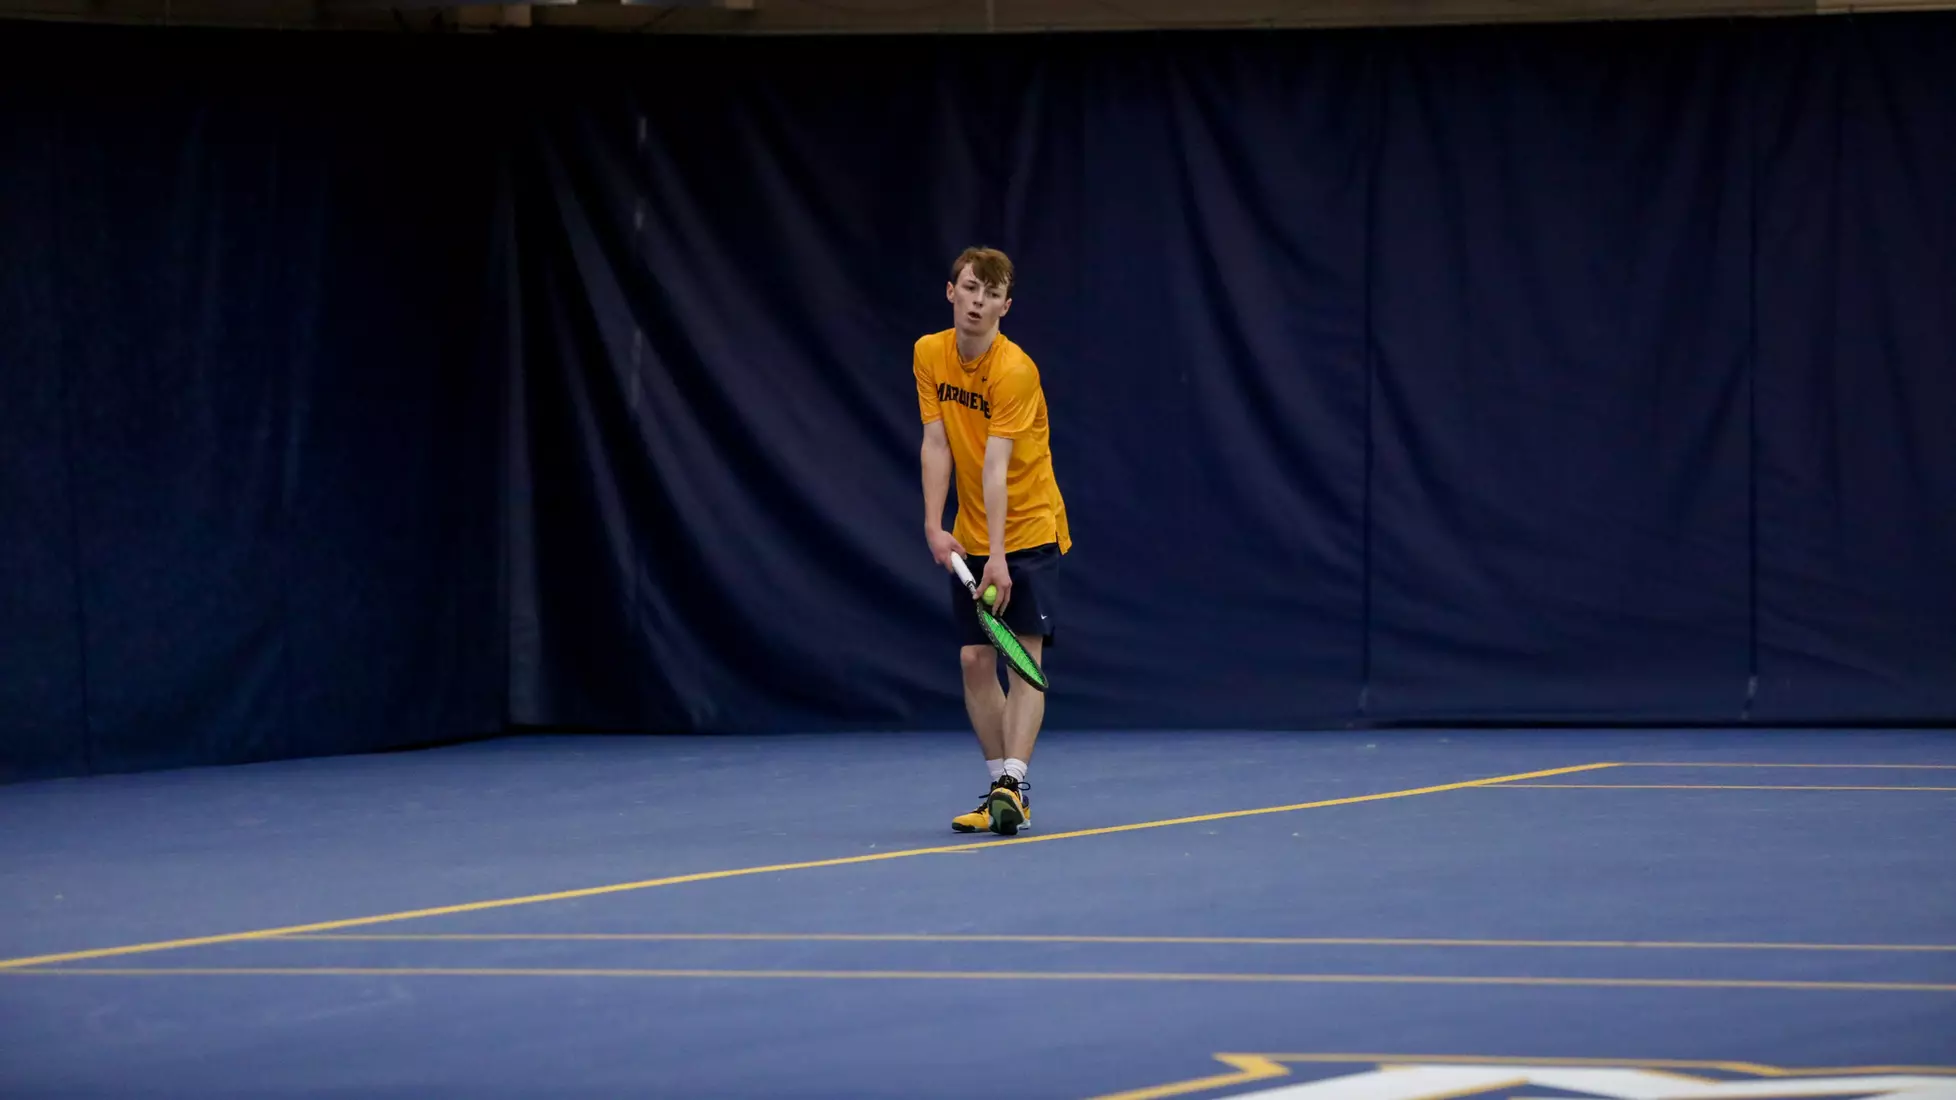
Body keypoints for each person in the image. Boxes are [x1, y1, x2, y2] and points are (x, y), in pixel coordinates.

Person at [915, 246, 1071, 836]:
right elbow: (937, 443)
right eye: (970, 288)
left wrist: (1000, 558)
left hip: (1028, 528)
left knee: (1022, 659)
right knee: (975, 660)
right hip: (972, 532)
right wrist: (935, 525)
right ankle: (1000, 789)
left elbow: (995, 466)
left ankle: (1014, 784)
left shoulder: (1015, 371)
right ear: (951, 292)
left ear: (1006, 306)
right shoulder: (929, 354)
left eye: (991, 294)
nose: (978, 301)